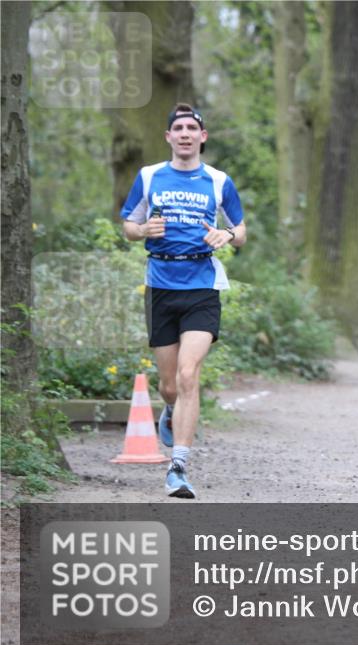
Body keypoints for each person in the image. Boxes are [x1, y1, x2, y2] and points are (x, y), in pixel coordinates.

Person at [120, 103, 246, 498]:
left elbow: (240, 229)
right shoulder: (149, 176)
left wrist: (227, 236)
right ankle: (171, 410)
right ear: (169, 137)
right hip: (160, 283)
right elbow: (127, 225)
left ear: (203, 137)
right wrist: (142, 229)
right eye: (179, 128)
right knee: (170, 384)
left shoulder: (218, 180)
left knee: (190, 376)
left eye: (193, 128)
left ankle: (178, 466)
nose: (186, 133)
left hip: (202, 285)